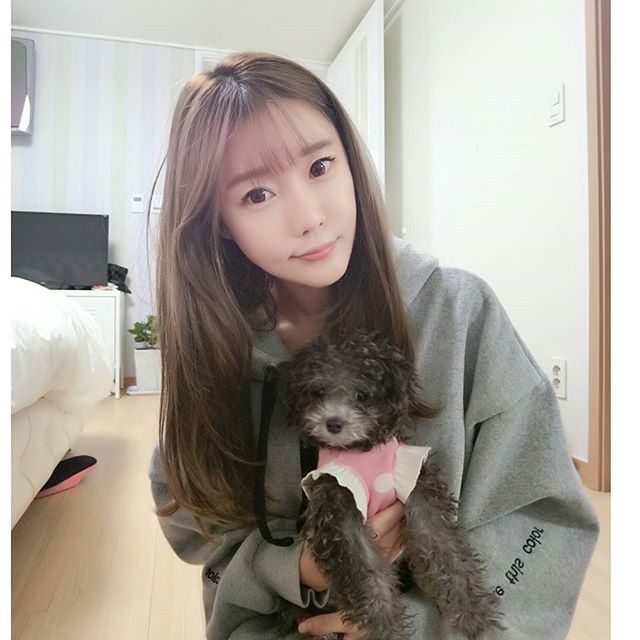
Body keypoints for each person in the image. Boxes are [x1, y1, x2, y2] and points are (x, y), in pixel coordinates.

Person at [147, 51, 599, 639]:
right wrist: (294, 567)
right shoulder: (216, 353)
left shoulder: (459, 313)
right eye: (257, 194)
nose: (309, 217)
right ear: (217, 223)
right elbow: (198, 527)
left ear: (351, 161)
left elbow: (540, 522)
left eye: (320, 166)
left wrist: (415, 627)